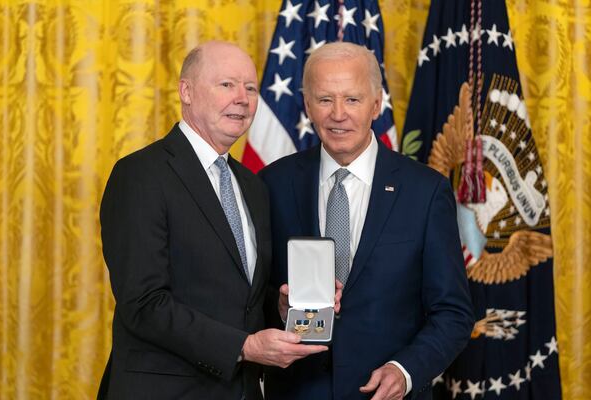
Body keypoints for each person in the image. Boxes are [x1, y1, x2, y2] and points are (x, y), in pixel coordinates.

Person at [97, 41, 328, 400]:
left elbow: (243, 299)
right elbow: (143, 303)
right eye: (227, 85)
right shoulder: (140, 175)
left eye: (250, 88)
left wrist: (281, 308)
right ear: (186, 91)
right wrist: (245, 346)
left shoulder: (253, 186)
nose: (242, 98)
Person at [260, 42, 474, 400]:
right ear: (308, 105)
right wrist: (278, 308)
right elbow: (249, 297)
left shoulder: (425, 191)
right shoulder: (272, 184)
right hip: (298, 390)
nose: (338, 114)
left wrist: (405, 371)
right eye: (325, 99)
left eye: (353, 100)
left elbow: (452, 312)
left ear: (377, 104)